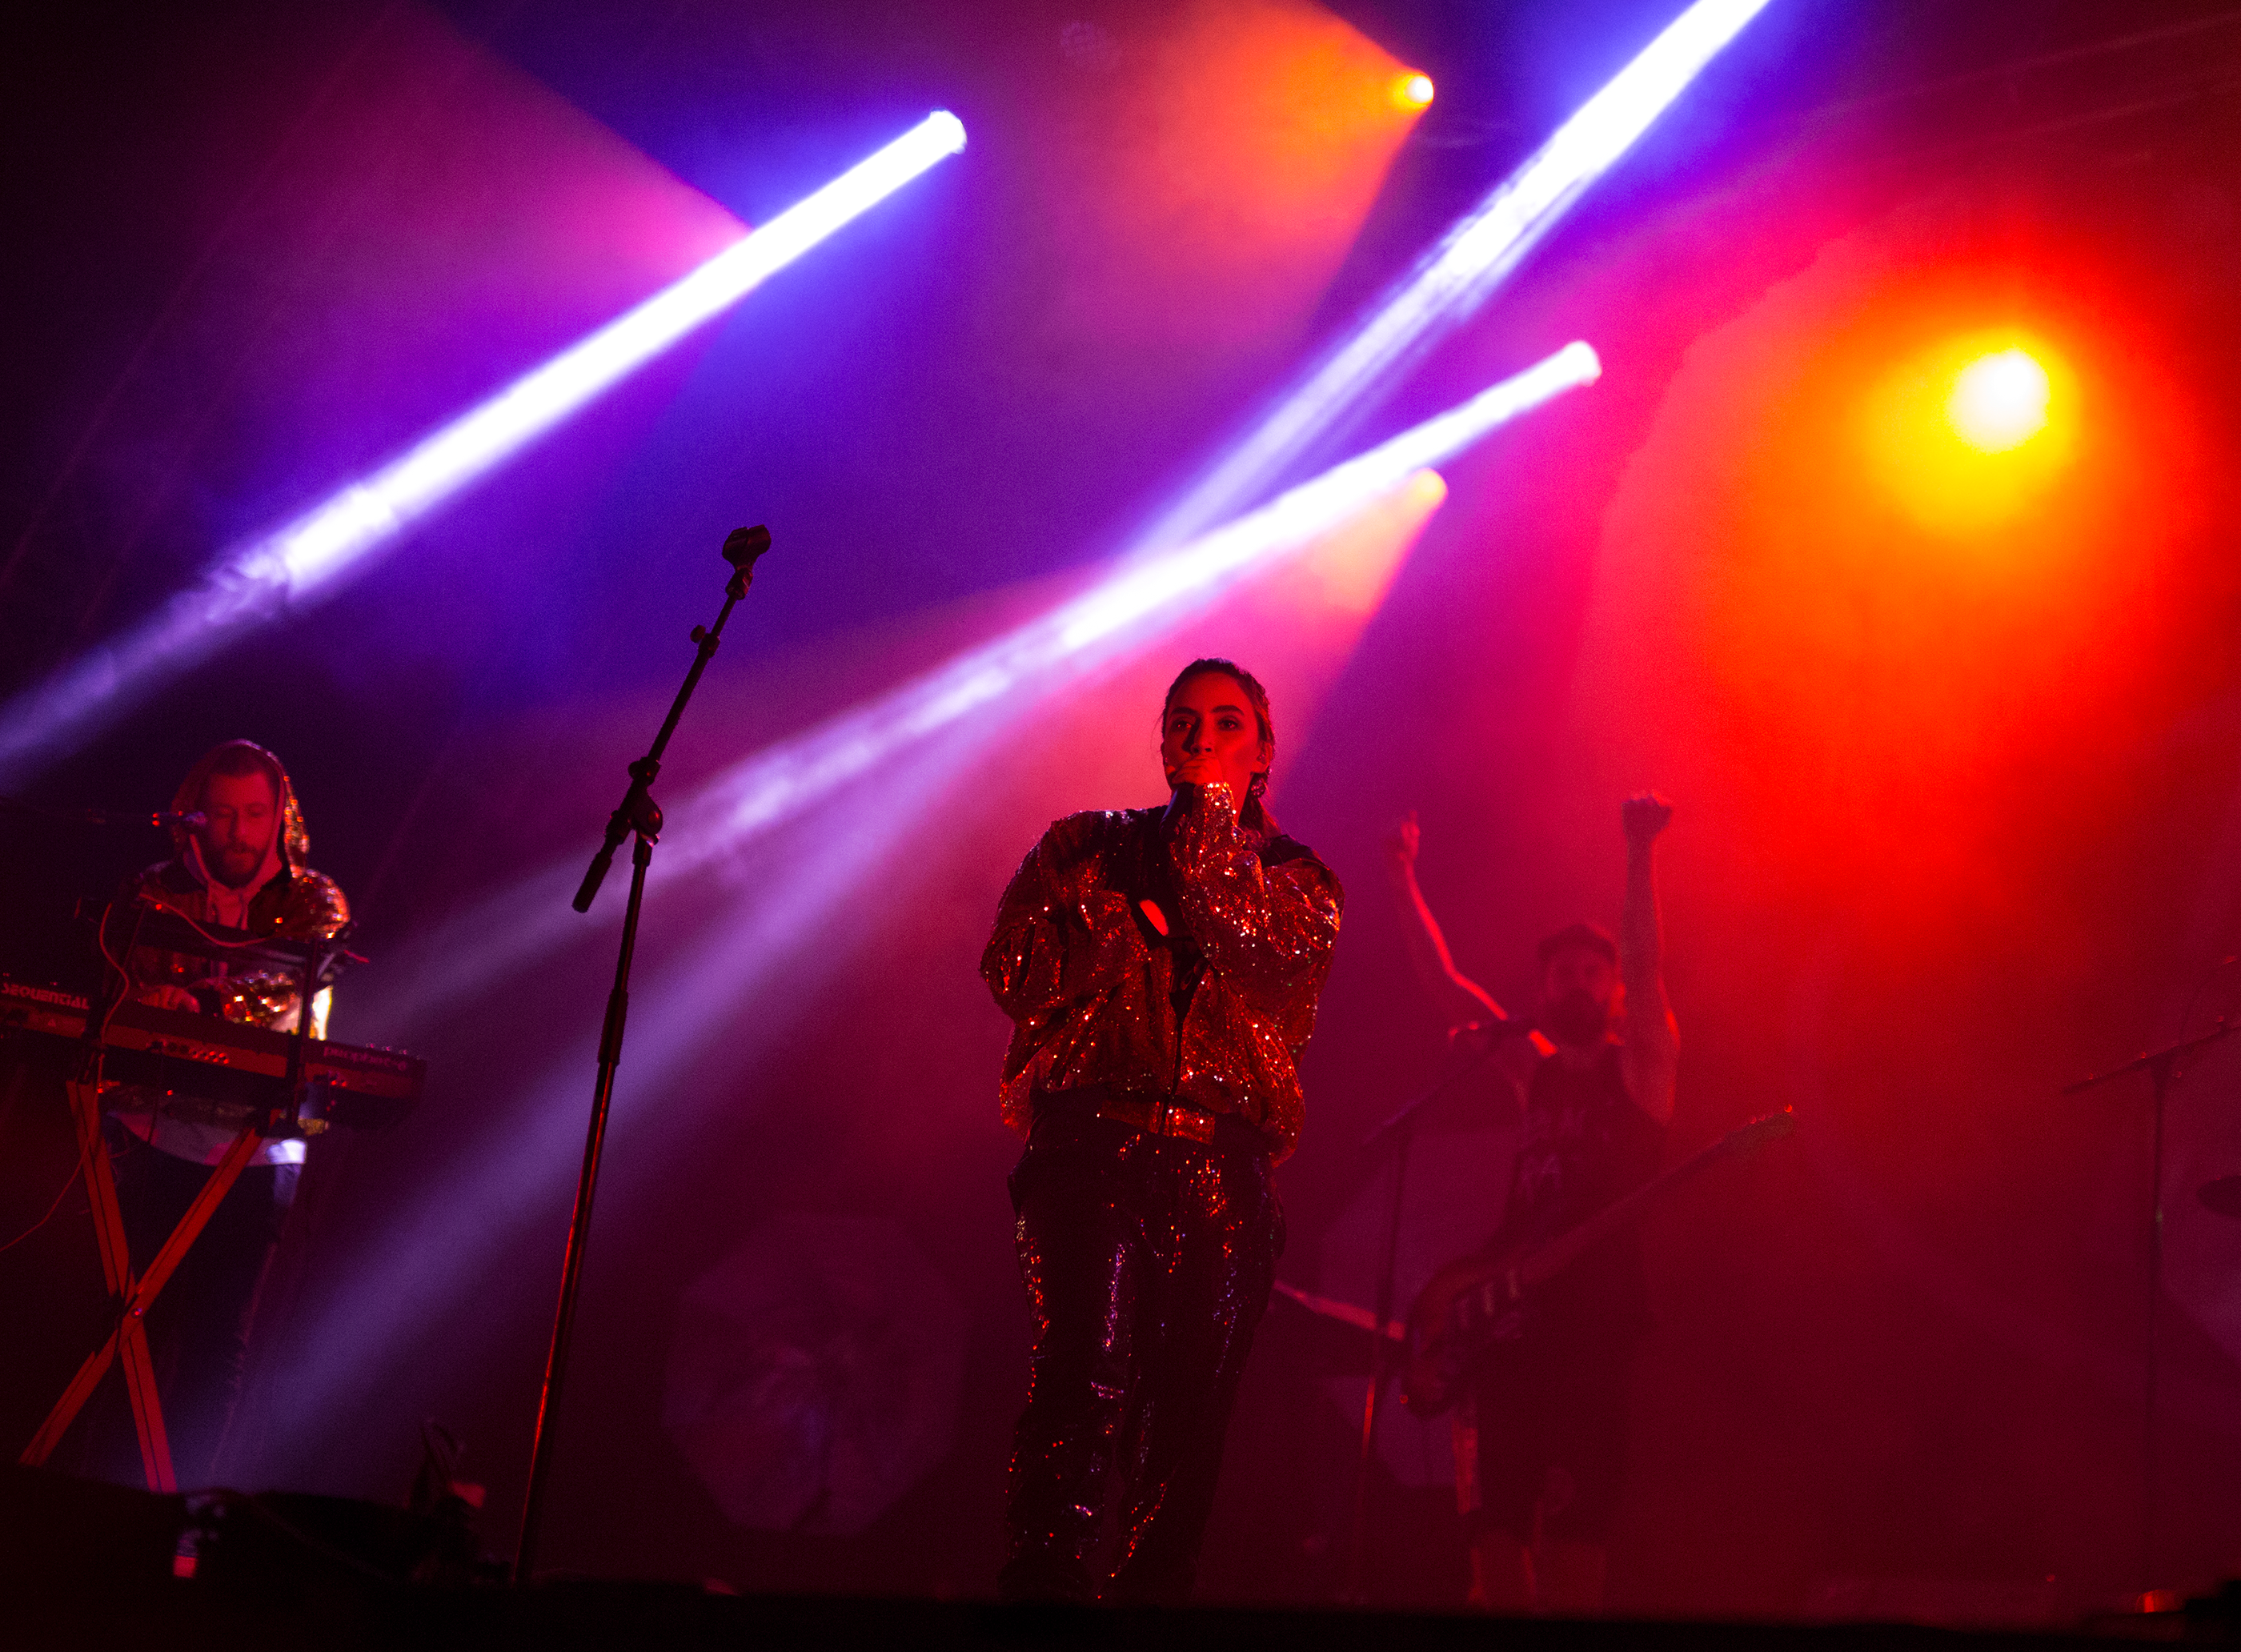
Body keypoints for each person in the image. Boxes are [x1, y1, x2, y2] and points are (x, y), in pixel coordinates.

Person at [981, 659, 1343, 1603]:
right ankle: (1044, 1590)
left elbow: (1262, 958)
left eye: (1226, 723)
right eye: (1182, 720)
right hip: (1090, 1145)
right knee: (1080, 1373)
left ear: (1262, 749)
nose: (1200, 738)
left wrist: (1205, 843)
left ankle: (1152, 1601)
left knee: (1189, 1410)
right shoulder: (1083, 844)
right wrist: (1125, 922)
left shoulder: (1297, 879)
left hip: (1222, 1166)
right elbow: (1014, 970)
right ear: (1159, 738)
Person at [1385, 795, 1676, 1614]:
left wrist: (1636, 851)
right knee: (1494, 1525)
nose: (1576, 983)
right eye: (1562, 973)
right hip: (1508, 1329)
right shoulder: (1532, 1071)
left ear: (1613, 990)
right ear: (1543, 989)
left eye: (1592, 972)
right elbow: (1446, 988)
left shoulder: (1642, 1072)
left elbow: (1649, 965)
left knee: (1580, 1524)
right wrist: (1400, 876)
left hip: (1594, 1327)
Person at [93, 739, 349, 1486]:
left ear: (282, 816)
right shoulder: (149, 890)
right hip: (151, 1133)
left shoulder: (315, 900)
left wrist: (202, 1001)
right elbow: (126, 977)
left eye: (255, 815)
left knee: (215, 1350)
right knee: (128, 1334)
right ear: (195, 817)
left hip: (257, 1148)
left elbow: (277, 988)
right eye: (224, 815)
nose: (238, 833)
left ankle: (175, 1522)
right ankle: (94, 1506)